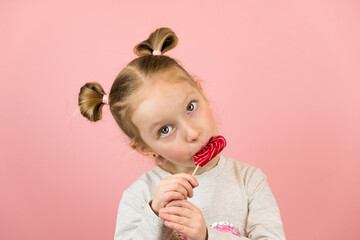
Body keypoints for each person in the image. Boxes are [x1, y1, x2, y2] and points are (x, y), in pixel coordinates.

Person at [78, 27, 286, 240]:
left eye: (190, 107)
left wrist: (207, 235)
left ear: (202, 94)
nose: (192, 133)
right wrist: (155, 215)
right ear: (145, 148)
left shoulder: (249, 181)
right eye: (165, 130)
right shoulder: (140, 196)